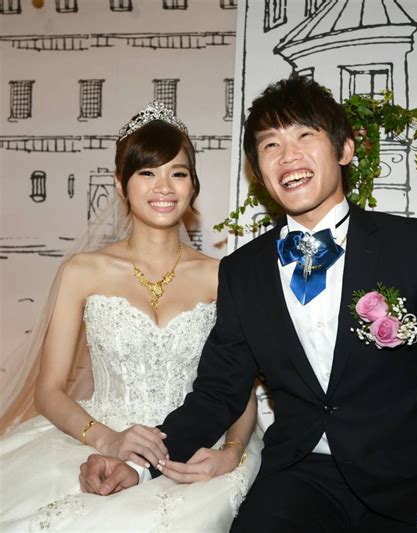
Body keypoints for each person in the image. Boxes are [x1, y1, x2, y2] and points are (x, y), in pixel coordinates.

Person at [82, 77, 417, 533]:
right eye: (271, 145)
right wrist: (140, 465)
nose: (288, 156)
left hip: (413, 485)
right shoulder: (243, 271)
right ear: (259, 171)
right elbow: (217, 393)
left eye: (305, 135)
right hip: (301, 478)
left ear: (345, 149)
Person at [0, 101, 262, 532]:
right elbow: (48, 390)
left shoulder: (222, 277)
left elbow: (239, 389)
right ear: (120, 185)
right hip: (96, 436)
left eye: (178, 173)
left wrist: (232, 451)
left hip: (198, 444)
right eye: (147, 173)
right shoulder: (83, 271)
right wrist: (106, 438)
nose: (164, 187)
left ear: (193, 186)